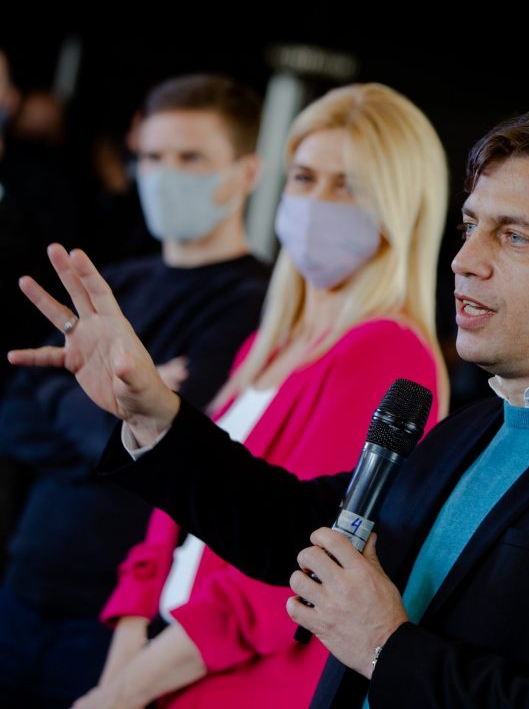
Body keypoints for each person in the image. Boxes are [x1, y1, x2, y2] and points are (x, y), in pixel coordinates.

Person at [12, 102, 529, 708]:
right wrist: (151, 413)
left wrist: (386, 646)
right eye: (472, 226)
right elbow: (292, 530)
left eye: (516, 237)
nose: (466, 259)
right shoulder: (477, 425)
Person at [76, 82, 450, 709]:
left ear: (398, 206)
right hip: (153, 668)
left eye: (348, 185)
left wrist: (124, 693)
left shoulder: (387, 349)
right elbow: (185, 506)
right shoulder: (268, 343)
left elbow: (295, 560)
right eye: (304, 176)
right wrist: (129, 643)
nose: (316, 201)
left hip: (235, 686)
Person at [0, 73, 271, 707]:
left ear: (247, 172)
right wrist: (120, 414)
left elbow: (181, 441)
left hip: (120, 608)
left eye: (191, 158)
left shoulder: (254, 304)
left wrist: (73, 401)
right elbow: (13, 414)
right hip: (23, 577)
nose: (164, 173)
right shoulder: (111, 280)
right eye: (151, 156)